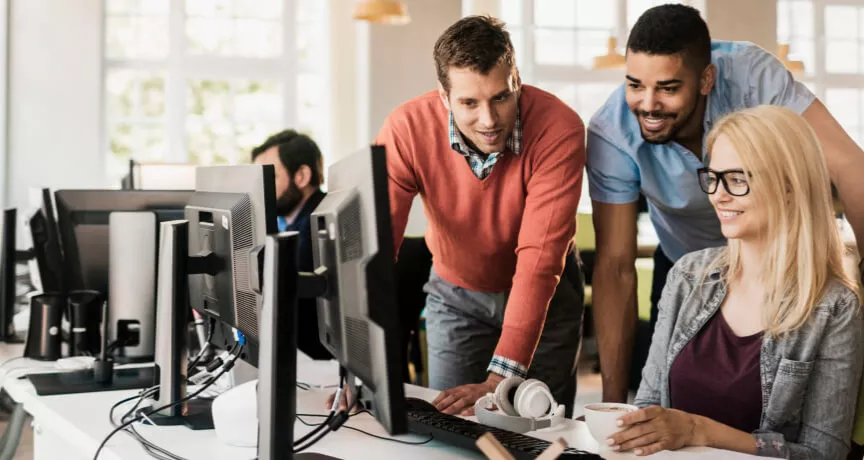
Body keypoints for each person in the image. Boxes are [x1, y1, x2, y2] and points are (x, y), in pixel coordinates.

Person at [586, 4, 864, 404]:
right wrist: (612, 405)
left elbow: (848, 166)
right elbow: (615, 268)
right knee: (670, 399)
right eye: (634, 85)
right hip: (688, 267)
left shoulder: (751, 76)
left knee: (784, 405)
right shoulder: (612, 131)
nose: (647, 105)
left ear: (706, 80)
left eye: (667, 88)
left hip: (783, 263)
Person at [606, 105, 863, 459]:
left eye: (738, 180)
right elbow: (651, 407)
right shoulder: (686, 276)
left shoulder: (834, 307)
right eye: (713, 177)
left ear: (790, 186)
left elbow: (825, 453)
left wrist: (702, 431)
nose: (718, 195)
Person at [374, 15, 586, 416]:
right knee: (451, 428)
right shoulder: (406, 129)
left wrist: (499, 380)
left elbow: (539, 258)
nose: (489, 121)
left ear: (517, 80)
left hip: (548, 298)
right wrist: (358, 370)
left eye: (501, 98)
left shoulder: (560, 128)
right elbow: (375, 250)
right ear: (443, 96)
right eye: (469, 103)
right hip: (456, 296)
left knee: (541, 432)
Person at [251, 129, 330, 360]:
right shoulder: (284, 222)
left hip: (312, 359)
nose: (261, 189)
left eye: (270, 178)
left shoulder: (317, 225)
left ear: (302, 176)